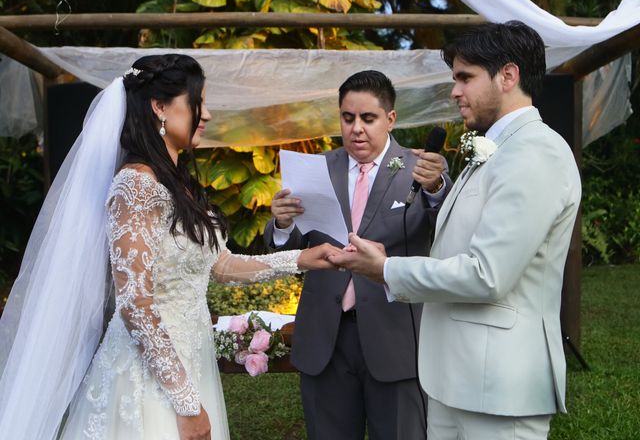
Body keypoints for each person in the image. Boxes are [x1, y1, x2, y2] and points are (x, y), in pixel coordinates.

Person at [0, 54, 340, 440]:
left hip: (189, 363)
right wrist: (185, 402)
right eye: (198, 102)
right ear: (160, 107)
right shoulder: (137, 187)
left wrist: (301, 258)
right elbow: (136, 305)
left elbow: (220, 266)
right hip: (149, 380)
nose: (207, 114)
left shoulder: (177, 185)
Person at [328, 22, 582, 440]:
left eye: (465, 78)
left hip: (499, 387)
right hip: (456, 381)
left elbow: (487, 274)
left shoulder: (536, 152)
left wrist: (387, 269)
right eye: (454, 79)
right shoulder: (495, 151)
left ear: (508, 75)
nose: (454, 91)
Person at [264, 70, 451, 440]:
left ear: (390, 119)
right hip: (326, 337)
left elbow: (442, 221)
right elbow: (286, 245)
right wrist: (282, 224)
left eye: (368, 118)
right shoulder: (317, 168)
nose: (356, 129)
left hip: (395, 334)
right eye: (348, 118)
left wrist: (436, 188)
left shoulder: (421, 169)